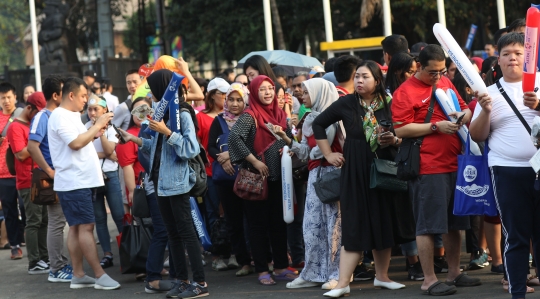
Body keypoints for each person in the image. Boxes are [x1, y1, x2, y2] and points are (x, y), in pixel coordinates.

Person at [392, 44, 481, 296]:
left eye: (442, 71)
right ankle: (429, 279)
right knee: (428, 225)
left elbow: (465, 107)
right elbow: (400, 129)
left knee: (456, 223)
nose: (438, 76)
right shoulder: (405, 92)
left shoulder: (445, 83)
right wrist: (435, 127)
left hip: (456, 161)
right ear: (419, 66)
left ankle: (454, 273)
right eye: (433, 72)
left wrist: (462, 115)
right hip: (428, 166)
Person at [313, 61, 406, 297]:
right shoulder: (346, 103)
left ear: (377, 80)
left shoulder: (388, 103)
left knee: (382, 220)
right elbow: (319, 124)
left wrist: (394, 140)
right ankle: (343, 282)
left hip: (382, 169)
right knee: (354, 225)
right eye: (357, 77)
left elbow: (402, 133)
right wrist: (328, 153)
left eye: (365, 77)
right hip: (354, 171)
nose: (359, 81)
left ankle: (382, 277)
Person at [117, 69, 209, 298]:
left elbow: (190, 148)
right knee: (172, 234)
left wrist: (168, 132)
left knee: (186, 234)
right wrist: (134, 139)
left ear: (164, 88)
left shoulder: (182, 113)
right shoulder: (161, 113)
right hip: (159, 183)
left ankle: (199, 283)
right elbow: (153, 147)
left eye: (152, 89)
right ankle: (181, 280)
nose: (151, 94)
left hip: (177, 182)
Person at [470, 32, 540, 299]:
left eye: (519, 53)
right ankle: (518, 292)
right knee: (517, 235)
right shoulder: (488, 94)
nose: (513, 58)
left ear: (528, 59)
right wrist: (485, 110)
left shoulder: (539, 84)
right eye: (507, 54)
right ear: (497, 60)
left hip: (539, 169)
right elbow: (478, 135)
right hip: (506, 170)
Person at [48, 77, 120, 290]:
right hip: (74, 181)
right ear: (70, 95)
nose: (85, 102)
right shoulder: (61, 116)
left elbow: (80, 140)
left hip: (77, 180)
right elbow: (76, 143)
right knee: (85, 227)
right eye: (82, 97)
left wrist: (95, 132)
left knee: (78, 228)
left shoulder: (69, 116)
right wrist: (96, 126)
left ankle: (79, 275)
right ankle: (99, 274)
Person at [228, 75, 298, 286]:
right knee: (257, 227)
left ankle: (280, 267)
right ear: (255, 92)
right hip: (256, 180)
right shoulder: (250, 116)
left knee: (278, 224)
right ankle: (261, 269)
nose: (267, 93)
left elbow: (289, 140)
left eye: (270, 88)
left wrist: (290, 150)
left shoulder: (279, 114)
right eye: (262, 89)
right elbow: (234, 139)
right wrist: (255, 161)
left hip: (279, 179)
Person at [284, 78, 342, 290]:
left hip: (332, 176)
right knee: (312, 227)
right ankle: (313, 272)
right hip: (315, 175)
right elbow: (307, 152)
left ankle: (337, 274)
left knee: (334, 227)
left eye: (307, 92)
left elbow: (318, 149)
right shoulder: (309, 118)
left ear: (319, 93)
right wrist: (286, 138)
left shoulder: (335, 117)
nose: (302, 95)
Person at [27, 75, 73, 282]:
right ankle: (56, 268)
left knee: (59, 221)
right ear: (55, 95)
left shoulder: (59, 116)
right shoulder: (42, 117)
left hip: (63, 176)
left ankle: (60, 262)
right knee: (56, 222)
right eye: (64, 92)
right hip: (54, 178)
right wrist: (49, 170)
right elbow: (32, 146)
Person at [207, 82, 253, 276]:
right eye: (231, 99)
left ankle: (257, 258)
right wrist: (221, 158)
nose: (235, 104)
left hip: (248, 174)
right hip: (226, 178)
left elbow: (254, 144)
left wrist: (230, 155)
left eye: (239, 99)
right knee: (233, 220)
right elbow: (210, 146)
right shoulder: (218, 120)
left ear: (246, 101)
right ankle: (243, 261)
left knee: (251, 219)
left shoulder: (250, 118)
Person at [6, 91, 47, 274]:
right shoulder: (15, 127)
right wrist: (37, 143)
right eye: (37, 113)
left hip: (40, 177)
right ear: (29, 108)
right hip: (27, 181)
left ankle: (45, 258)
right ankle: (34, 262)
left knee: (44, 220)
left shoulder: (32, 123)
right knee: (33, 221)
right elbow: (21, 154)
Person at [84, 95, 124, 269]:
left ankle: (126, 248)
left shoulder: (112, 128)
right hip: (92, 177)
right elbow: (83, 153)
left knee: (119, 215)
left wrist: (99, 132)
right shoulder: (84, 127)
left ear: (105, 110)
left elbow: (109, 149)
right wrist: (102, 154)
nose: (92, 113)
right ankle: (107, 254)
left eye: (96, 109)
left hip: (110, 175)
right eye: (90, 109)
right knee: (99, 218)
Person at [197, 78, 230, 249]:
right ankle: (217, 253)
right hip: (211, 172)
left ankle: (233, 252)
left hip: (232, 171)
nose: (226, 97)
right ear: (211, 95)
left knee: (231, 212)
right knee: (213, 213)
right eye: (223, 94)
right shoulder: (200, 117)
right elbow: (198, 146)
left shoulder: (232, 115)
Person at [0, 82, 25, 260]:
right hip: (3, 173)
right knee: (9, 210)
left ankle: (27, 239)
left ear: (15, 97)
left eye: (9, 97)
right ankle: (15, 245)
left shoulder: (22, 115)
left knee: (26, 208)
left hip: (22, 170)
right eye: (3, 98)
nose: (6, 101)